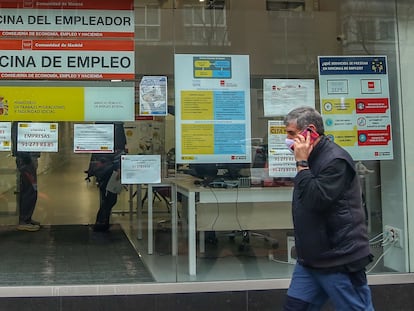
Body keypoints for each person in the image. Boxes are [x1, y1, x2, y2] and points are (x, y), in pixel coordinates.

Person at [282, 106, 374, 311]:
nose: (287, 140)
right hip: (311, 259)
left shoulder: (335, 160)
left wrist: (302, 164)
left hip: (339, 259)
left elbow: (317, 199)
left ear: (311, 131)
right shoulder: (314, 157)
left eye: (291, 133)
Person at [88, 122, 127, 232]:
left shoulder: (105, 124)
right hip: (108, 166)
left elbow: (120, 148)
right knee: (109, 196)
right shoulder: (116, 125)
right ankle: (101, 222)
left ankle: (102, 221)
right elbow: (120, 148)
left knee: (107, 195)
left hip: (106, 165)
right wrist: (119, 166)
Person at [11, 122, 41, 232]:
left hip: (26, 160)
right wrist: (27, 159)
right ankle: (24, 221)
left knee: (28, 189)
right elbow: (19, 143)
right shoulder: (20, 122)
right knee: (30, 190)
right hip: (26, 161)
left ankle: (26, 218)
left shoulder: (22, 122)